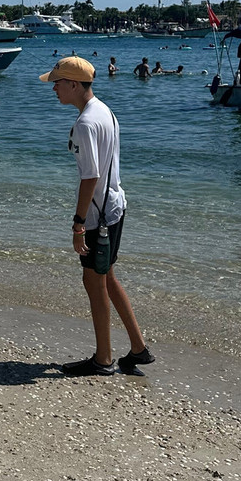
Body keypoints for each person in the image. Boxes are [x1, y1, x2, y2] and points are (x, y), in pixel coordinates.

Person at [40, 57, 152, 377]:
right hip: (115, 206)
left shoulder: (86, 123)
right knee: (107, 277)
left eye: (58, 83)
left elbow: (90, 176)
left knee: (94, 282)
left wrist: (78, 223)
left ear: (75, 85)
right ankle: (138, 348)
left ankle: (103, 359)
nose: (54, 88)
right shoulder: (105, 110)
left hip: (98, 215)